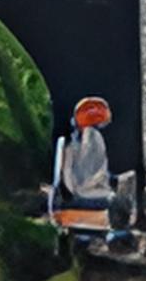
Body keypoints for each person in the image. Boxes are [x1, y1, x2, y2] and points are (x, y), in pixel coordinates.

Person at [51, 96, 131, 237]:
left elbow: (96, 170)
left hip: (81, 190)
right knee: (117, 199)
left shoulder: (85, 139)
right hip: (83, 191)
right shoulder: (88, 139)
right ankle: (116, 231)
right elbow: (88, 175)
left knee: (121, 191)